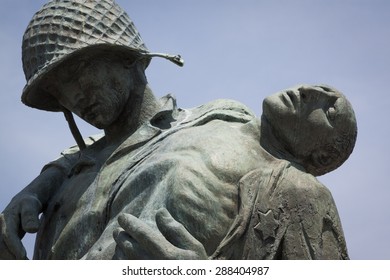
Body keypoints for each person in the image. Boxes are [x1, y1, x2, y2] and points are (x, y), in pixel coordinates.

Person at [0, 0, 357, 260]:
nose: (74, 97)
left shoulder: (228, 129)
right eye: (60, 90)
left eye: (80, 73)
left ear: (128, 57)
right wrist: (41, 184)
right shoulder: (66, 177)